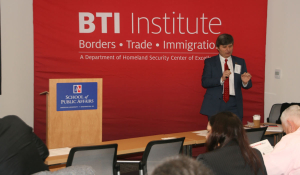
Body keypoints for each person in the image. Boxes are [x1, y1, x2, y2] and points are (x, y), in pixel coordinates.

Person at [200, 34, 252, 120]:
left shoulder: (240, 62)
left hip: (234, 103)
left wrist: (245, 82)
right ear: (217, 47)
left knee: (235, 132)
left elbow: (248, 85)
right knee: (216, 132)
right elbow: (205, 82)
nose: (228, 50)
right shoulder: (210, 62)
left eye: (230, 46)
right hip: (216, 103)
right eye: (224, 47)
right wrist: (221, 79)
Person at [197, 112, 267, 175]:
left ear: (218, 134)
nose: (207, 136)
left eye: (209, 131)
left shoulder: (206, 160)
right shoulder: (256, 154)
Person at [263, 105, 300, 174]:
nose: (286, 133)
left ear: (290, 125)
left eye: (285, 131)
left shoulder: (291, 140)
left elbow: (269, 169)